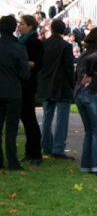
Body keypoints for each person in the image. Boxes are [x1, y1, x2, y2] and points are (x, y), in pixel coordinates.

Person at [74, 28, 97, 176]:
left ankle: (86, 165)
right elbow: (93, 60)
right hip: (92, 93)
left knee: (89, 132)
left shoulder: (84, 53)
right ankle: (96, 166)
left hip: (80, 93)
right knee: (95, 131)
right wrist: (90, 75)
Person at [37, 19, 75, 158]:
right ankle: (58, 148)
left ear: (51, 29)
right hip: (61, 85)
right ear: (63, 30)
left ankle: (46, 145)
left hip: (46, 84)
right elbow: (69, 67)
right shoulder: (65, 46)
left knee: (47, 117)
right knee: (62, 118)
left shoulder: (43, 44)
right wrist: (73, 84)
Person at [0, 15, 30, 171]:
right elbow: (25, 74)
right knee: (11, 128)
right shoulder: (18, 48)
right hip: (13, 91)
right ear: (14, 28)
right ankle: (12, 161)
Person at [17, 15, 44, 165]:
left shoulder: (34, 43)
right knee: (26, 118)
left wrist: (20, 62)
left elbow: (37, 63)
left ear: (30, 26)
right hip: (22, 83)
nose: (19, 26)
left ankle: (35, 152)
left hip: (28, 84)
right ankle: (30, 151)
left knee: (29, 118)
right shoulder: (22, 41)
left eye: (22, 24)